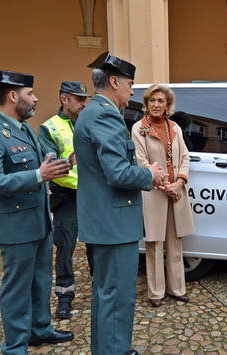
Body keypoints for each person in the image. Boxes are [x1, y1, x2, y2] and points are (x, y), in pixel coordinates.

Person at [0, 67, 74, 354]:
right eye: (31, 94)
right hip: (15, 227)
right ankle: (15, 346)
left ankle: (40, 330)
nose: (36, 99)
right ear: (12, 95)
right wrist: (38, 176)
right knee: (17, 288)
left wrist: (54, 166)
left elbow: (33, 169)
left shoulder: (23, 128)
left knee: (41, 280)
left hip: (39, 220)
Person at [73, 52, 165, 355]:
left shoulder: (93, 111)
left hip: (105, 222)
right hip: (113, 225)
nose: (132, 91)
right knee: (117, 298)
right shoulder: (104, 114)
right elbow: (117, 173)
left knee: (106, 296)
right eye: (130, 84)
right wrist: (147, 173)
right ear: (114, 82)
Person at [132, 84, 195, 308]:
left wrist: (179, 182)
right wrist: (163, 183)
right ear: (146, 104)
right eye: (152, 101)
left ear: (168, 105)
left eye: (161, 101)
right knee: (154, 243)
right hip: (154, 192)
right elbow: (141, 162)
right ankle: (156, 292)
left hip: (175, 192)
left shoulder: (175, 127)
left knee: (176, 242)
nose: (156, 105)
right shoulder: (139, 128)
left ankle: (177, 288)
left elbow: (185, 157)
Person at [38, 81, 94, 320]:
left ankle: (100, 291)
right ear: (64, 99)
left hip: (92, 195)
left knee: (97, 245)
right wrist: (69, 163)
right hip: (67, 197)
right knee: (65, 248)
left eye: (85, 99)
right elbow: (48, 167)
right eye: (79, 99)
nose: (84, 103)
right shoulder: (49, 127)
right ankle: (64, 297)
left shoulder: (89, 122)